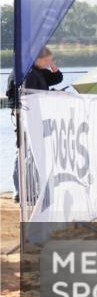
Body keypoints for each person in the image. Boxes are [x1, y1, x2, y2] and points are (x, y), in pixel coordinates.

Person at [6, 46, 63, 202]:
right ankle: (24, 191)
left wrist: (52, 66)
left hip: (29, 113)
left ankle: (23, 190)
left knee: (26, 150)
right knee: (26, 151)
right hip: (25, 114)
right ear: (36, 59)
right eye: (46, 60)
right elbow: (32, 94)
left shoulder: (36, 70)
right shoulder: (29, 72)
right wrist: (53, 93)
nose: (48, 63)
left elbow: (57, 78)